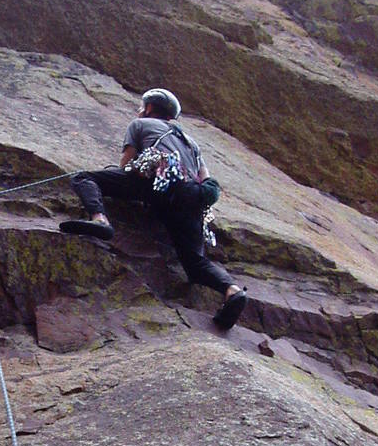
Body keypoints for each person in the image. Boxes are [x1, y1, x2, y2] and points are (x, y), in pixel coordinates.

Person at [60, 88, 247, 329]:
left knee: (84, 178)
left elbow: (127, 164)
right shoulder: (191, 143)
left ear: (149, 108)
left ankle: (100, 220)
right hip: (190, 198)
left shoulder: (141, 124)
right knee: (195, 263)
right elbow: (204, 179)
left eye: (142, 107)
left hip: (157, 181)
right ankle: (232, 290)